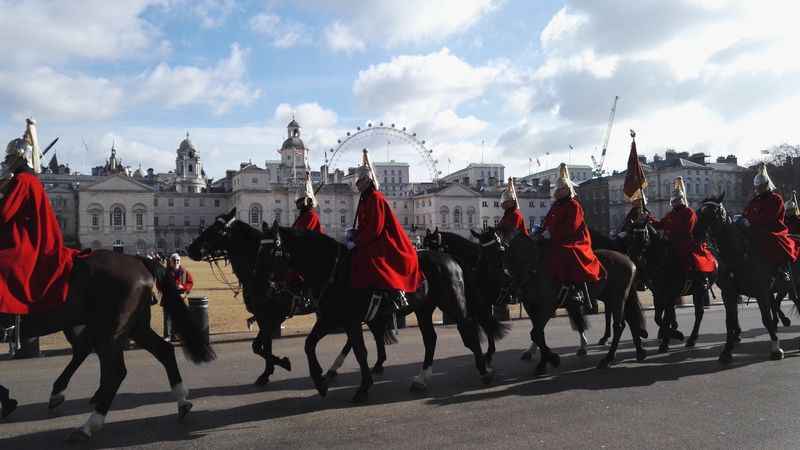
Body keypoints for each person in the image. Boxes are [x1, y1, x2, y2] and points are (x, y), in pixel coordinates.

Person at [1, 119, 79, 317]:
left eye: (10, 158)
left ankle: (8, 318)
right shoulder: (27, 180)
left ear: (19, 159)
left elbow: (5, 214)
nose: (7, 161)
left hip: (24, 241)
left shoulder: (22, 180)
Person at [348, 149, 423, 315]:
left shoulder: (376, 198)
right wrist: (354, 234)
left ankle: (396, 293)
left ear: (368, 181)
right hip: (371, 237)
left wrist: (358, 240)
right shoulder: (364, 199)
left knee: (375, 260)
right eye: (357, 181)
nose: (357, 184)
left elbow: (376, 228)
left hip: (385, 239)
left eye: (360, 181)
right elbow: (364, 225)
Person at [538, 163, 603, 308]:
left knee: (567, 251)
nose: (558, 192)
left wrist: (552, 233)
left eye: (561, 189)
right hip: (556, 238)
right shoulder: (556, 205)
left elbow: (572, 226)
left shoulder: (574, 205)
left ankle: (577, 290)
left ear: (568, 190)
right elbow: (547, 221)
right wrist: (541, 231)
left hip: (575, 239)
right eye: (558, 189)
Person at [649, 177, 716, 307]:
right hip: (671, 243)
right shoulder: (670, 214)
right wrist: (649, 218)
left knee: (691, 260)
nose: (674, 203)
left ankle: (702, 281)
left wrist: (670, 231)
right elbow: (660, 224)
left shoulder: (689, 212)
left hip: (686, 243)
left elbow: (686, 229)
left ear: (681, 200)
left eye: (676, 201)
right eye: (673, 201)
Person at [742, 163, 799, 279]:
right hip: (754, 229)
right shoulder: (755, 200)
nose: (757, 190)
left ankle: (780, 268)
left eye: (760, 187)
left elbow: (771, 218)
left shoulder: (775, 199)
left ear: (766, 185)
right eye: (756, 187)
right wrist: (744, 220)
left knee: (770, 240)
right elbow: (746, 212)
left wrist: (752, 222)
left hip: (773, 230)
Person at [163, 253, 193, 341]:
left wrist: (184, 287)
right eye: (175, 260)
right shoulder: (165, 272)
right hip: (168, 297)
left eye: (178, 260)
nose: (176, 262)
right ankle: (167, 336)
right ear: (171, 262)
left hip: (181, 297)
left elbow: (190, 282)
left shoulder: (185, 272)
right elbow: (159, 284)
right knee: (167, 318)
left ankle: (176, 335)